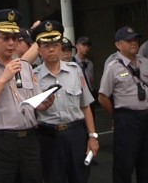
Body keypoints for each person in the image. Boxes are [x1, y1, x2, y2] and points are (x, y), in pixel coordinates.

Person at [0, 9, 54, 183]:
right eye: (5, 38)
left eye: (15, 38)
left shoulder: (25, 67)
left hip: (29, 141)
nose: (11, 43)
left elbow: (34, 102)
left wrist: (44, 103)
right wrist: (3, 79)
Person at [33, 21, 99, 183]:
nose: (51, 49)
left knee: (80, 177)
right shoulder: (33, 77)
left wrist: (92, 136)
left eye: (55, 45)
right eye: (46, 45)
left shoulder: (75, 71)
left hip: (75, 134)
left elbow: (85, 106)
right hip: (48, 137)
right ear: (39, 50)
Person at [98, 26, 148, 183]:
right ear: (118, 45)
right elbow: (103, 97)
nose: (134, 43)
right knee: (124, 165)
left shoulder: (144, 62)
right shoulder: (113, 66)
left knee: (147, 163)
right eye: (129, 40)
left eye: (135, 40)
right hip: (127, 120)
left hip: (147, 118)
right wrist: (117, 116)